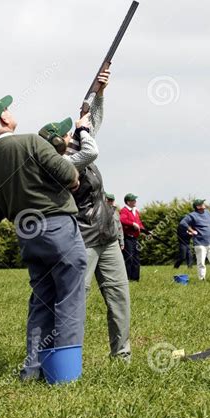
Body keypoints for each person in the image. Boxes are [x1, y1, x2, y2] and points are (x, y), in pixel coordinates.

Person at [0, 95, 87, 381]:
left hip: (26, 233)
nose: (11, 112)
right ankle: (64, 374)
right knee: (70, 298)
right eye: (7, 109)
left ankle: (33, 370)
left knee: (42, 301)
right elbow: (69, 176)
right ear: (3, 119)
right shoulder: (32, 142)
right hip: (57, 226)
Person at [39, 71, 131, 361]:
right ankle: (65, 358)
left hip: (106, 234)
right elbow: (91, 147)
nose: (73, 132)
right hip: (83, 238)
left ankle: (122, 357)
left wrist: (99, 92)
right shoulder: (64, 164)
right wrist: (83, 129)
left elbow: (93, 123)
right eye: (68, 132)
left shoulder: (77, 146)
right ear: (60, 143)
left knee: (119, 298)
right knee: (76, 299)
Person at [180, 200, 210, 282]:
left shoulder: (208, 212)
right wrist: (192, 230)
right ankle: (202, 279)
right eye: (202, 203)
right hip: (200, 244)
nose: (204, 204)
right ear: (198, 207)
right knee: (201, 263)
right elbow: (183, 222)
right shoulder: (192, 215)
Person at [120, 194, 147, 282]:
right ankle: (127, 278)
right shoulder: (124, 210)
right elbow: (122, 220)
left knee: (136, 258)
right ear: (128, 202)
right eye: (133, 200)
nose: (135, 201)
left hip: (135, 238)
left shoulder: (136, 211)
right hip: (128, 238)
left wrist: (145, 231)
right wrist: (132, 224)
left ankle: (135, 279)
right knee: (129, 258)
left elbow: (139, 223)